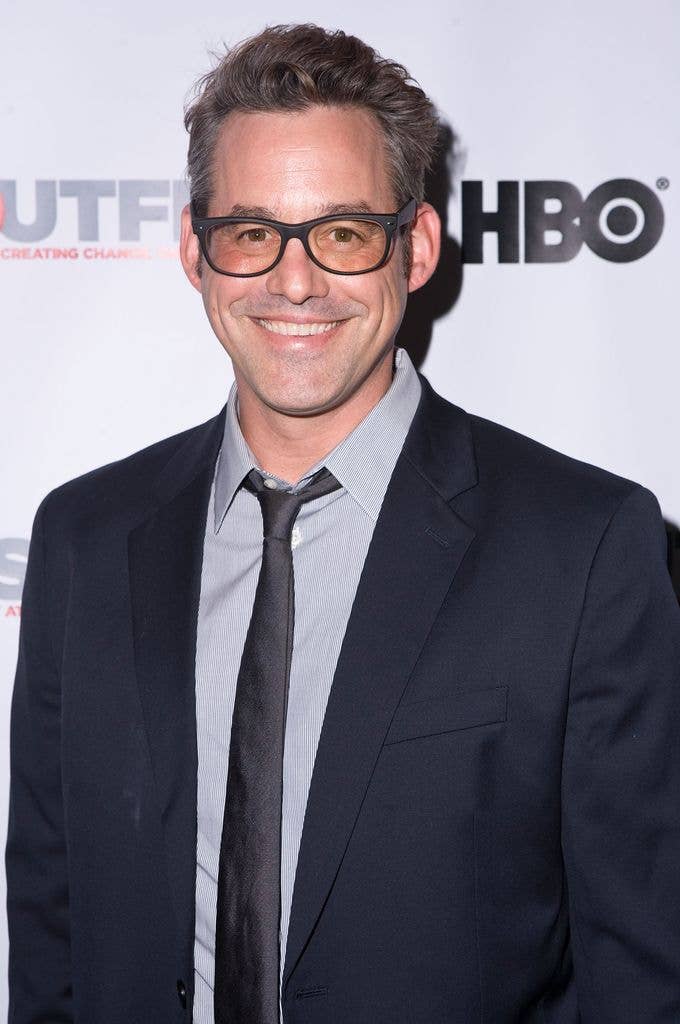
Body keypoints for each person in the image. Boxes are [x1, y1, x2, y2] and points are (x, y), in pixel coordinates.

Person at [6, 23, 680, 1024]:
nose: (294, 280)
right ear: (196, 250)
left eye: (343, 230)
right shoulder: (85, 538)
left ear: (413, 246)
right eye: (251, 231)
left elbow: (642, 974)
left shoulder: (584, 547)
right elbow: (50, 941)